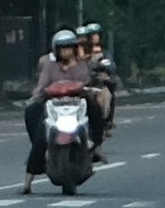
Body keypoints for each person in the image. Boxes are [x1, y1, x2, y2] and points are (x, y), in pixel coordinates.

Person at [25, 25, 108, 192]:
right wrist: (38, 94)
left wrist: (91, 89)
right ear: (56, 50)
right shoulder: (49, 66)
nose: (66, 52)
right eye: (63, 49)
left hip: (78, 103)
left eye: (69, 48)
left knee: (96, 110)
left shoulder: (82, 65)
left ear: (75, 49)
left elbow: (88, 82)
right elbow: (42, 85)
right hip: (54, 105)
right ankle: (27, 181)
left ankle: (96, 145)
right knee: (35, 122)